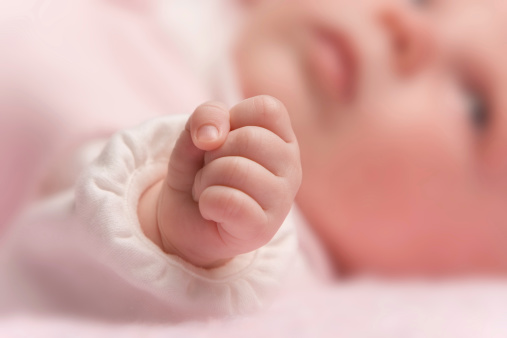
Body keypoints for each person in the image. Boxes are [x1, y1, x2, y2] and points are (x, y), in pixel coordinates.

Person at [1, 0, 507, 323]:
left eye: (475, 105)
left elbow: (73, 285)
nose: (405, 27)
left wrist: (177, 233)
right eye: (426, 1)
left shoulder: (255, 263)